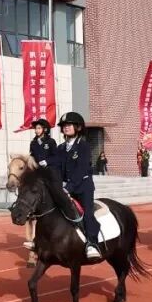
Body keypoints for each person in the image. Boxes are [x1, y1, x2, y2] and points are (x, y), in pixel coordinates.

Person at [56, 111, 102, 261]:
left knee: (87, 214)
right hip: (66, 187)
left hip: (83, 187)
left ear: (78, 127)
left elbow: (81, 170)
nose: (66, 127)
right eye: (64, 125)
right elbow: (57, 169)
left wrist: (68, 188)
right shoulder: (60, 148)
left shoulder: (84, 146)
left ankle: (92, 243)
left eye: (69, 125)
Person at [25, 118, 57, 251]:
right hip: (37, 173)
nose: (37, 130)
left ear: (45, 129)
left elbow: (56, 156)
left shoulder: (51, 142)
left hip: (49, 172)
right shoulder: (33, 143)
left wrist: (47, 161)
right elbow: (32, 156)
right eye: (36, 128)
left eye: (39, 128)